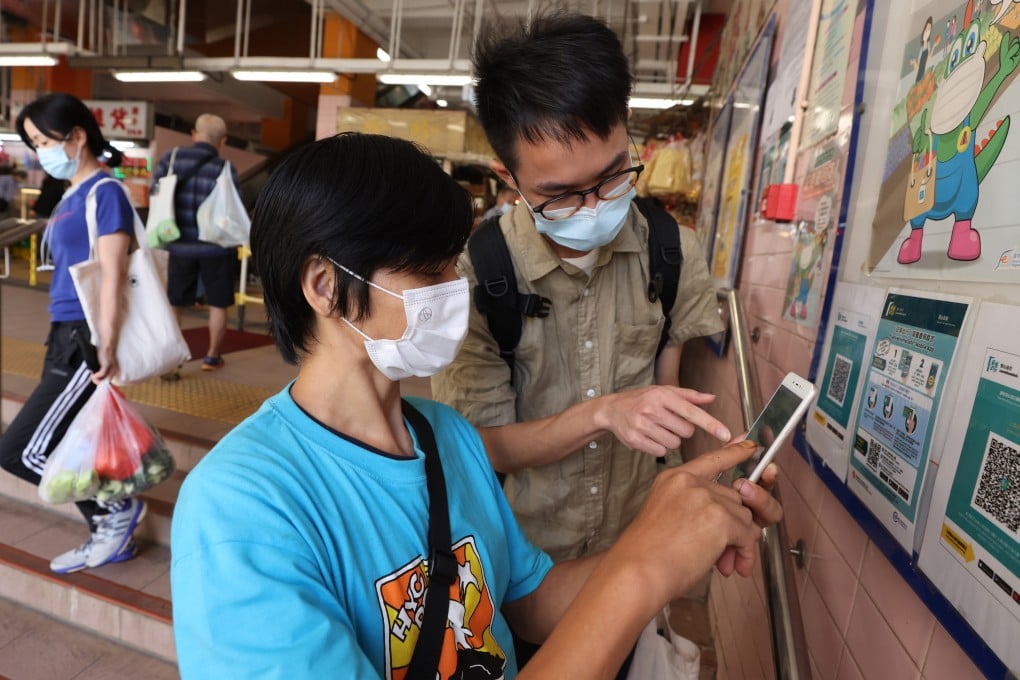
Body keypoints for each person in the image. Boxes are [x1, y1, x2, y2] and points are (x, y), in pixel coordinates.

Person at [169, 132, 782, 679]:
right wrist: (640, 570)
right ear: (326, 286)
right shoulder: (241, 507)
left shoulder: (445, 436)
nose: (454, 288)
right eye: (429, 270)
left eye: (452, 263)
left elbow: (529, 601)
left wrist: (669, 537)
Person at [432, 12, 728, 565]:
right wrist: (603, 413)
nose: (594, 208)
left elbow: (665, 406)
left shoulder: (673, 250)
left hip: (632, 541)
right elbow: (484, 447)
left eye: (613, 176)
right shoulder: (473, 278)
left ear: (627, 123)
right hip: (518, 558)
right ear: (508, 177)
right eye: (561, 195)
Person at [0, 93, 147, 573]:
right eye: (34, 143)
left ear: (77, 136)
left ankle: (114, 510)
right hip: (61, 332)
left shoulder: (106, 193)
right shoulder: (71, 194)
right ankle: (110, 524)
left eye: (44, 140)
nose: (40, 151)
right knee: (58, 439)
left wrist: (105, 343)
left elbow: (110, 274)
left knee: (20, 448)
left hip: (84, 339)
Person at [149, 113, 240, 378]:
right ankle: (212, 356)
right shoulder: (225, 168)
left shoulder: (172, 158)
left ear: (194, 134)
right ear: (222, 141)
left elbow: (155, 192)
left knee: (175, 303)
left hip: (178, 244)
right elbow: (233, 210)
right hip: (215, 246)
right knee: (218, 304)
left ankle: (175, 361)